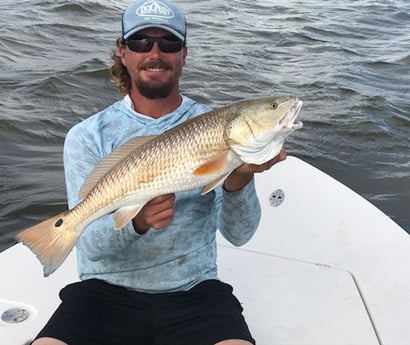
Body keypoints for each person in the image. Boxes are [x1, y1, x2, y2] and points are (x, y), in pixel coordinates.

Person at [32, 0, 286, 344]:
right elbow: (90, 249)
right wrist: (138, 221)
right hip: (104, 292)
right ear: (123, 52)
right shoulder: (88, 135)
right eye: (140, 42)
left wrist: (238, 180)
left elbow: (240, 235)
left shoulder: (214, 127)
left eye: (168, 43)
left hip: (195, 292)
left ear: (184, 54)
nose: (155, 52)